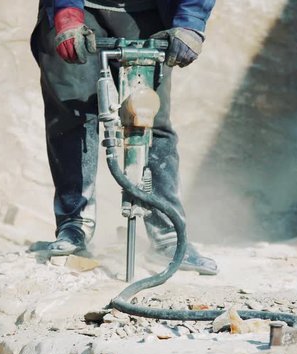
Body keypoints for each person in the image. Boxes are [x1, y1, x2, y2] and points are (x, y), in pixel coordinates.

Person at [30, 0, 218, 275]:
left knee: (149, 116)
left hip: (148, 12)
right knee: (73, 113)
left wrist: (190, 24)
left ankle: (168, 235)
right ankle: (74, 226)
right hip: (81, 8)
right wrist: (67, 14)